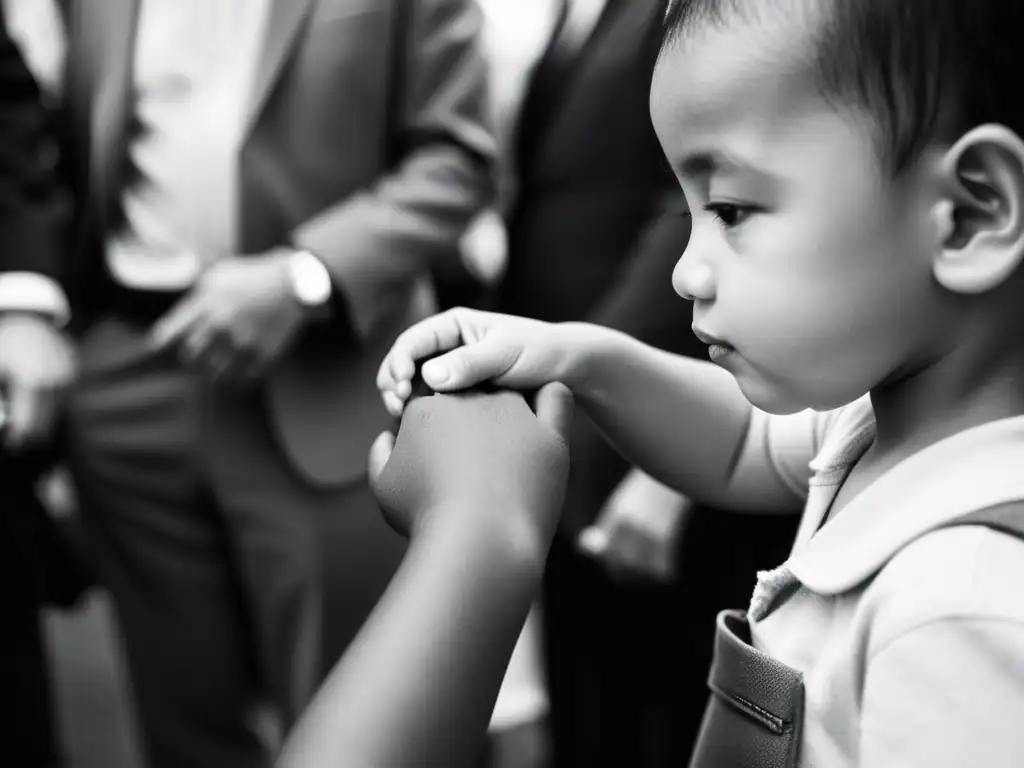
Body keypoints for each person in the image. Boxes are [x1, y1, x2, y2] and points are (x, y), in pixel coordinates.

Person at [376, 0, 1024, 763]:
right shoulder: (875, 427)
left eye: (732, 209)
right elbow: (738, 443)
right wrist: (574, 357)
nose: (687, 272)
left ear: (968, 214)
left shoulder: (961, 604)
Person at [5, 1, 495, 766]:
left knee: (357, 724)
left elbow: (458, 160)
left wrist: (307, 277)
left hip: (321, 371)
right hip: (129, 377)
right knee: (183, 730)